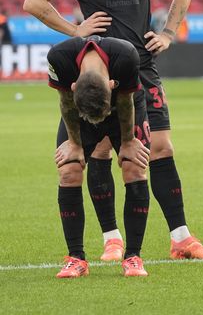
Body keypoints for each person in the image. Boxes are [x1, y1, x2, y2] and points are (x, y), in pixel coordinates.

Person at [23, 0, 203, 261]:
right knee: (100, 151)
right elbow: (34, 1)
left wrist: (168, 33)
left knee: (160, 148)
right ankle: (111, 238)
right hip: (98, 71)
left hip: (142, 67)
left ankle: (181, 238)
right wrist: (75, 30)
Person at [47, 35, 151, 278]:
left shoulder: (126, 56)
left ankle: (133, 257)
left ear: (112, 83)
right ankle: (76, 258)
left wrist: (128, 142)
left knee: (134, 167)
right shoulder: (59, 58)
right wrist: (74, 144)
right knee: (69, 170)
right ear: (74, 85)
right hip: (79, 113)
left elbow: (125, 101)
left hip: (124, 107)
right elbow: (66, 102)